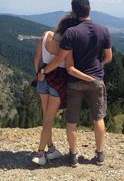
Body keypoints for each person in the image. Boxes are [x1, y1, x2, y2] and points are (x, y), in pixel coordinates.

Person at [39, 0, 113, 167]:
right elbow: (109, 56)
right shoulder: (103, 30)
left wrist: (44, 70)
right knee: (98, 118)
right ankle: (100, 155)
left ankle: (73, 156)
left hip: (74, 81)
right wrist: (98, 66)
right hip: (96, 80)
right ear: (89, 9)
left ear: (74, 11)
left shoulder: (71, 32)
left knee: (72, 122)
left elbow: (59, 59)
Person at [32, 14, 96, 166]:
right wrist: (90, 79)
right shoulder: (67, 45)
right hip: (58, 81)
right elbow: (70, 68)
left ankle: (52, 149)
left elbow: (36, 59)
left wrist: (39, 74)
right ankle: (40, 154)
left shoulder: (46, 35)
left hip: (42, 78)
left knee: (45, 117)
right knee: (49, 119)